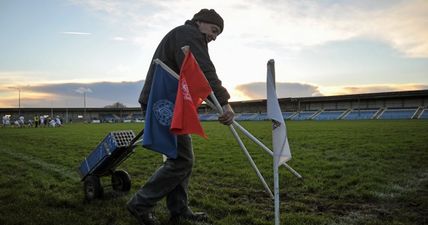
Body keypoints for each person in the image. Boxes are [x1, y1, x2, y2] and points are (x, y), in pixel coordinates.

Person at [127, 8, 235, 225]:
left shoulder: (187, 35)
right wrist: (224, 103)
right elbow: (202, 71)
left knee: (180, 158)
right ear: (199, 22)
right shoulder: (188, 34)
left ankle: (178, 209)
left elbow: (195, 76)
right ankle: (140, 203)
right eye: (214, 30)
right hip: (163, 101)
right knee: (183, 160)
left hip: (171, 102)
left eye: (218, 34)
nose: (214, 37)